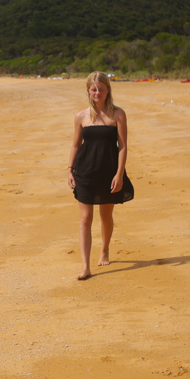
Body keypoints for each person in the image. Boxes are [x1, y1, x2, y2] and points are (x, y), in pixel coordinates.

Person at [67, 72, 134, 280]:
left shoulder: (118, 114)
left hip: (108, 171)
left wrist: (119, 174)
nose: (98, 93)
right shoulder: (81, 116)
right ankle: (85, 266)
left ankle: (104, 249)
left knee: (106, 216)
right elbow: (76, 144)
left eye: (101, 89)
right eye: (94, 89)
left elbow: (122, 146)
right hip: (85, 171)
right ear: (88, 90)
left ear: (108, 90)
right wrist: (69, 169)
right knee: (85, 219)